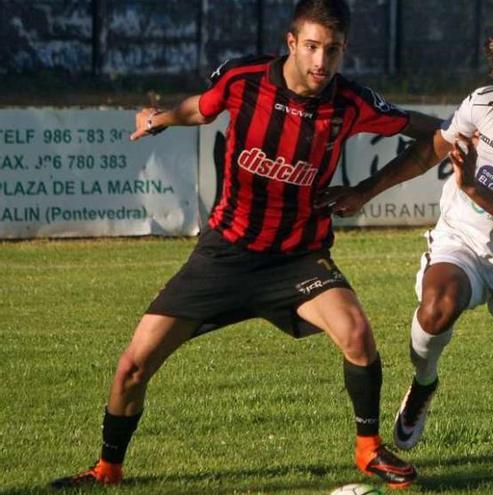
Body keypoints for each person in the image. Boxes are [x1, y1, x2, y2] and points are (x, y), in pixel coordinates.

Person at [50, 0, 437, 489]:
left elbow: (429, 133)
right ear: (291, 42)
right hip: (225, 255)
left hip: (298, 258)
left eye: (333, 51)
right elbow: (202, 106)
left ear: (344, 51)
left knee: (358, 337)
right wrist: (163, 118)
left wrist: (364, 191)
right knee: (134, 364)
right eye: (313, 47)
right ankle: (108, 469)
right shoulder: (244, 79)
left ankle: (369, 452)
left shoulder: (351, 104)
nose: (322, 62)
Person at [320, 15, 493, 468]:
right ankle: (424, 383)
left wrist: (473, 187)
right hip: (462, 244)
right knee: (437, 307)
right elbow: (432, 146)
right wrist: (365, 191)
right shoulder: (484, 104)